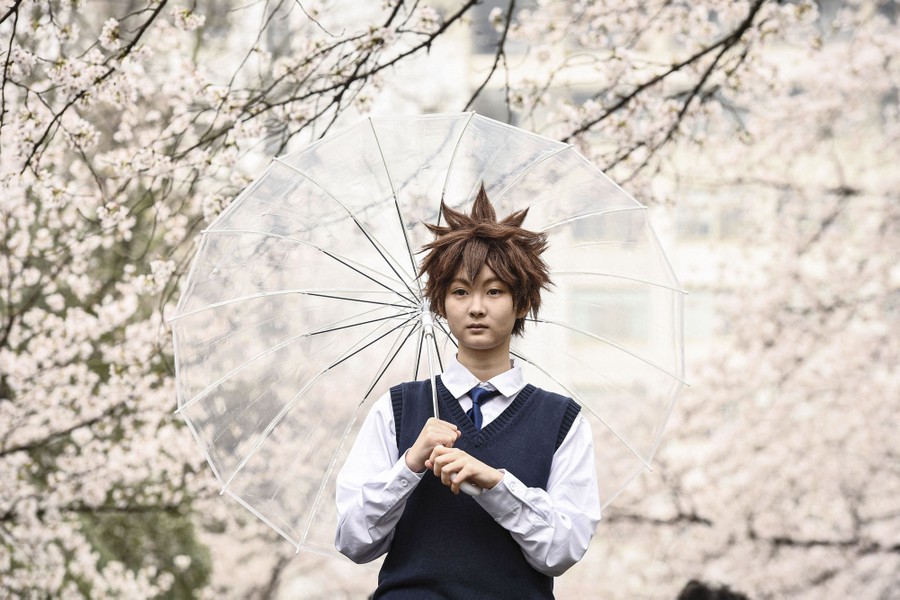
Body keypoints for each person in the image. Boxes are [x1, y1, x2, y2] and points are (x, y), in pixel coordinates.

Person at [335, 186, 601, 599]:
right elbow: (354, 541)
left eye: (494, 291)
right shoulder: (400, 409)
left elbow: (561, 551)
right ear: (440, 303)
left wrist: (495, 485)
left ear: (522, 302)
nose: (476, 307)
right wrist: (410, 466)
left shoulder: (561, 421)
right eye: (460, 291)